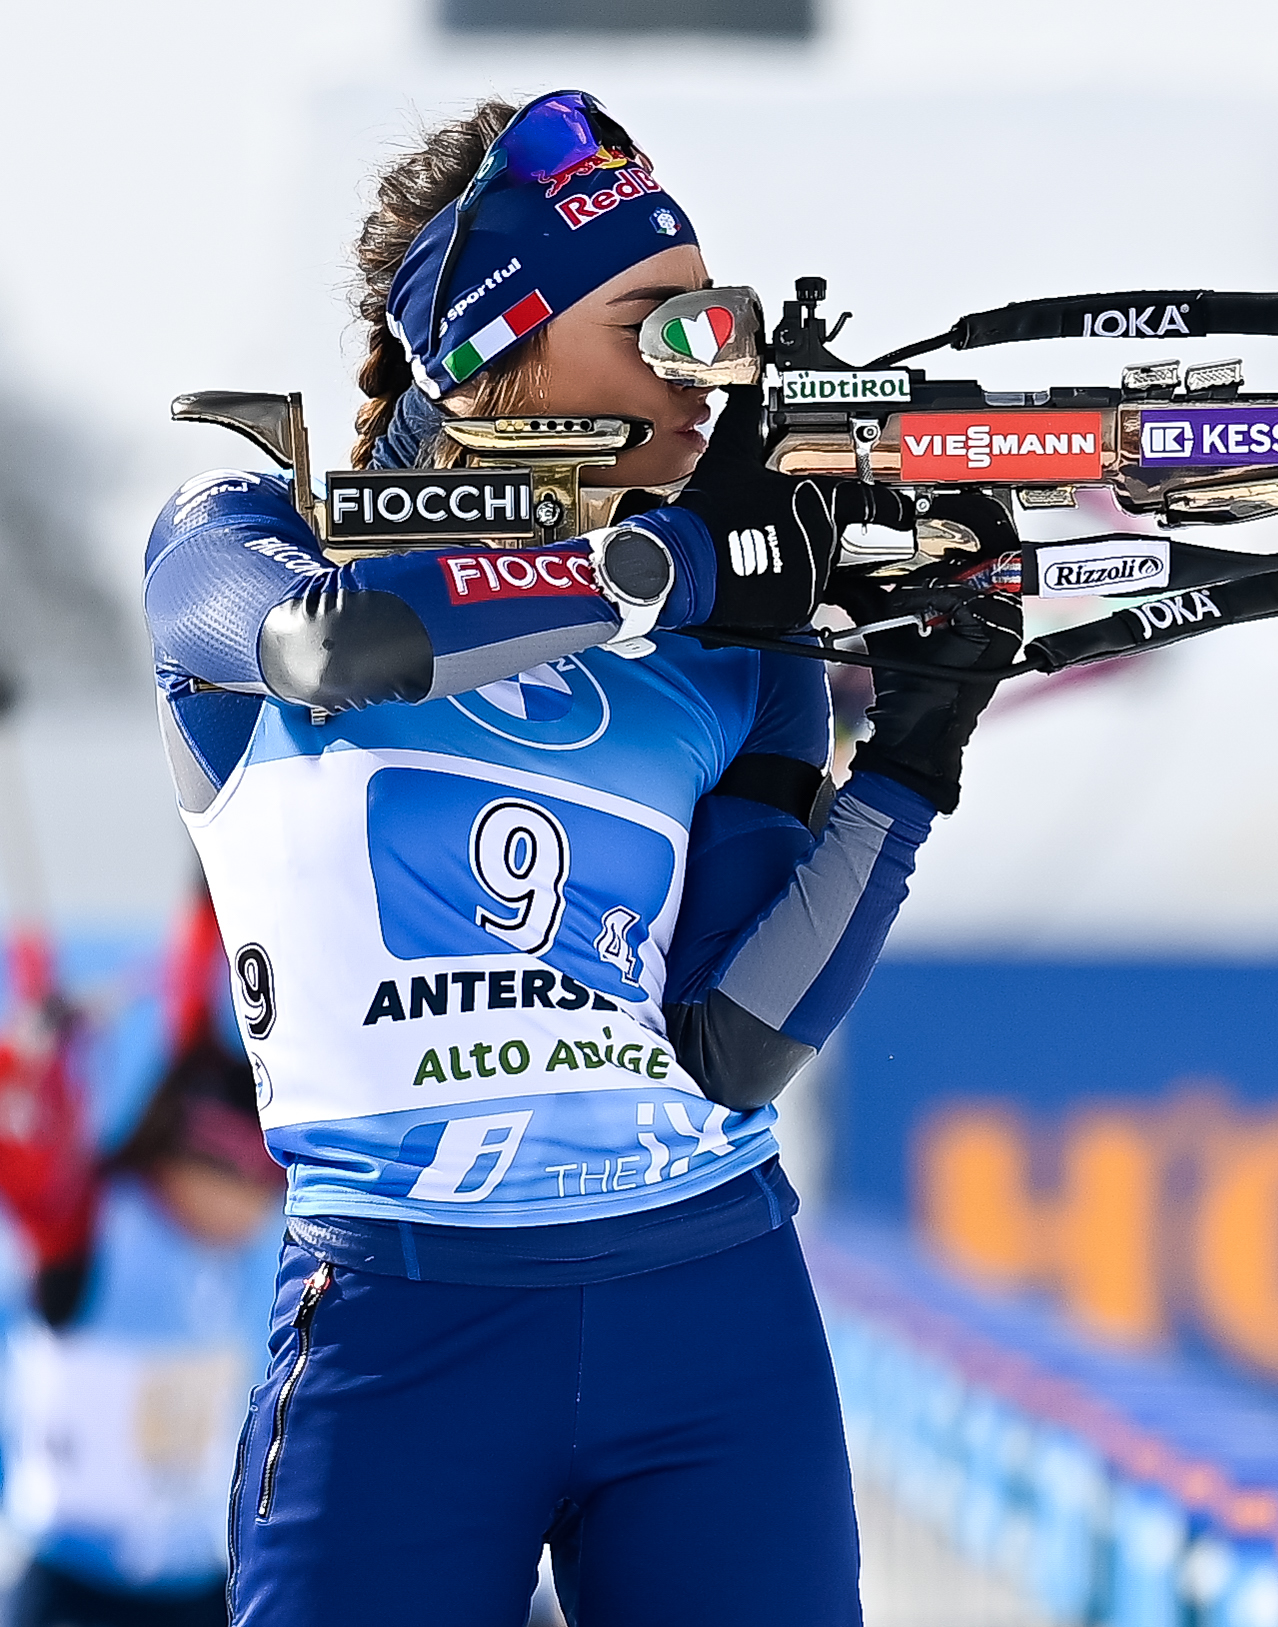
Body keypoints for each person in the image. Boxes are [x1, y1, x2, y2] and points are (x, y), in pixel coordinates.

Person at [140, 91, 1021, 1626]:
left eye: (719, 330)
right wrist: (670, 566)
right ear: (496, 343)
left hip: (709, 1298)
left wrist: (912, 760)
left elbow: (734, 1044)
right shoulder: (250, 527)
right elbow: (329, 647)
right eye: (656, 325)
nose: (709, 374)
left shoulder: (729, 648)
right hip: (400, 1315)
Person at [0, 890, 286, 1627]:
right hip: (74, 1587)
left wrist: (214, 871)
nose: (255, 1212)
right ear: (185, 1161)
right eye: (244, 1185)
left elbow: (197, 1007)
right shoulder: (89, 1221)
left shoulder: (240, 1244)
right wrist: (21, 1047)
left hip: (194, 1582)